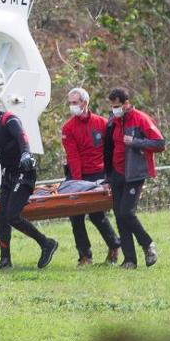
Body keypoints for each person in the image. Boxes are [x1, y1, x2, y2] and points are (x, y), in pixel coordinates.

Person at [0, 96, 59, 269]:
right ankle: (5, 260)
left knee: (12, 216)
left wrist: (26, 153)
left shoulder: (9, 119)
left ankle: (46, 243)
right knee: (2, 217)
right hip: (9, 175)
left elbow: (22, 137)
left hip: (23, 173)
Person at [101, 86, 164, 269]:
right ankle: (129, 260)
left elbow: (160, 143)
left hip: (134, 174)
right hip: (116, 174)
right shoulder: (113, 120)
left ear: (127, 103)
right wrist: (107, 176)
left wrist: (135, 142)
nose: (115, 109)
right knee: (120, 216)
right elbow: (107, 149)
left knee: (127, 213)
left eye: (118, 105)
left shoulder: (140, 119)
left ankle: (147, 244)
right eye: (112, 106)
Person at [60, 87, 122, 266]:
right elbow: (73, 156)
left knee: (97, 214)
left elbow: (110, 151)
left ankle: (114, 245)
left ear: (85, 103)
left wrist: (109, 175)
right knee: (76, 216)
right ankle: (85, 256)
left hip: (99, 174)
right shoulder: (68, 128)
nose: (72, 106)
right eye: (70, 103)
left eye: (75, 102)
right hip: (77, 175)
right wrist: (78, 183)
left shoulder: (102, 123)